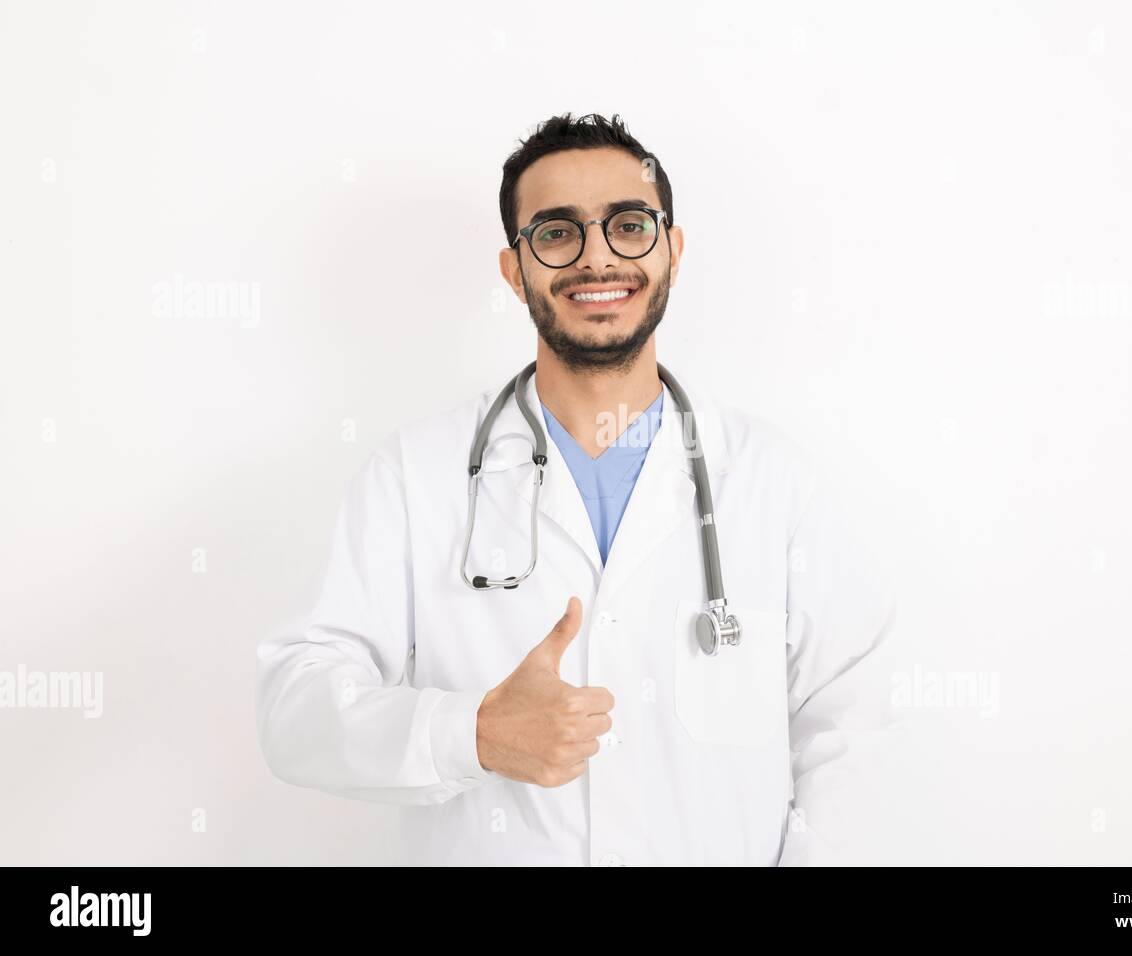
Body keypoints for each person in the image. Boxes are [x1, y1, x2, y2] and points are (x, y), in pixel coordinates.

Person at [255, 113, 896, 866]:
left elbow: (851, 727)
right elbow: (293, 708)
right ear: (513, 268)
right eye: (557, 233)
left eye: (629, 225)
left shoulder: (771, 479)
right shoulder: (414, 476)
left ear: (672, 251)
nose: (597, 258)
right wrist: (472, 733)